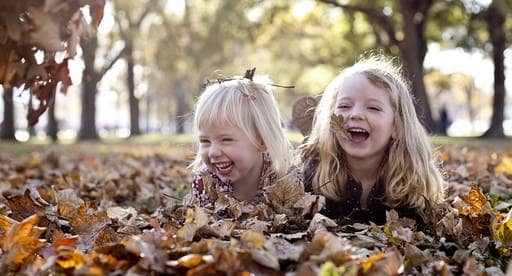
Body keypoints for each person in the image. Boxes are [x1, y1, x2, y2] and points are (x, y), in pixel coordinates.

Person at [299, 55, 444, 225]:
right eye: (344, 106)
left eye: (373, 108)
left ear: (396, 126)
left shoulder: (413, 181)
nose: (356, 114)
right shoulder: (315, 172)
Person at [190, 69, 301, 208]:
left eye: (226, 140)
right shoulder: (205, 184)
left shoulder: (285, 179)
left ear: (261, 140)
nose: (213, 152)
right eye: (205, 141)